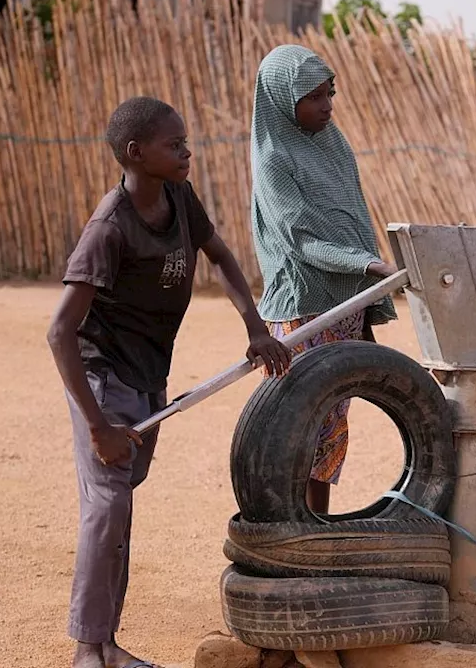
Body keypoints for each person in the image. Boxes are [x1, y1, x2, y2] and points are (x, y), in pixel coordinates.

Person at [47, 96, 291, 668]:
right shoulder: (109, 228)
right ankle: (91, 649)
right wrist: (98, 424)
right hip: (102, 379)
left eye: (184, 142)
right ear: (136, 153)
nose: (187, 151)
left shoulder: (179, 197)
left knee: (120, 505)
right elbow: (60, 332)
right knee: (107, 507)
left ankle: (103, 642)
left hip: (147, 376)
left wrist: (255, 327)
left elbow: (221, 256)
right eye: (174, 144)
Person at [248, 44, 398, 514]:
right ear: (280, 100)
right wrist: (371, 267)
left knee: (332, 424)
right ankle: (286, 527)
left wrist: (368, 303)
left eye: (329, 93)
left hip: (346, 308)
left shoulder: (335, 146)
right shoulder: (274, 159)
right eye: (312, 97)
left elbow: (356, 220)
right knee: (298, 422)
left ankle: (319, 527)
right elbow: (301, 241)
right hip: (303, 313)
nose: (326, 105)